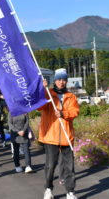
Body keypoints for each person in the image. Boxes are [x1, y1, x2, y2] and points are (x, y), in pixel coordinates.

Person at [38, 68, 79, 199]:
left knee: (69, 167)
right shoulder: (48, 94)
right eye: (59, 79)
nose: (61, 82)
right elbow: (39, 106)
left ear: (66, 81)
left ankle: (70, 191)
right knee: (50, 166)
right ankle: (48, 189)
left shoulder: (71, 96)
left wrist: (63, 113)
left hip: (67, 136)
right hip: (51, 136)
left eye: (64, 80)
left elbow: (74, 112)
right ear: (55, 81)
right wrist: (42, 90)